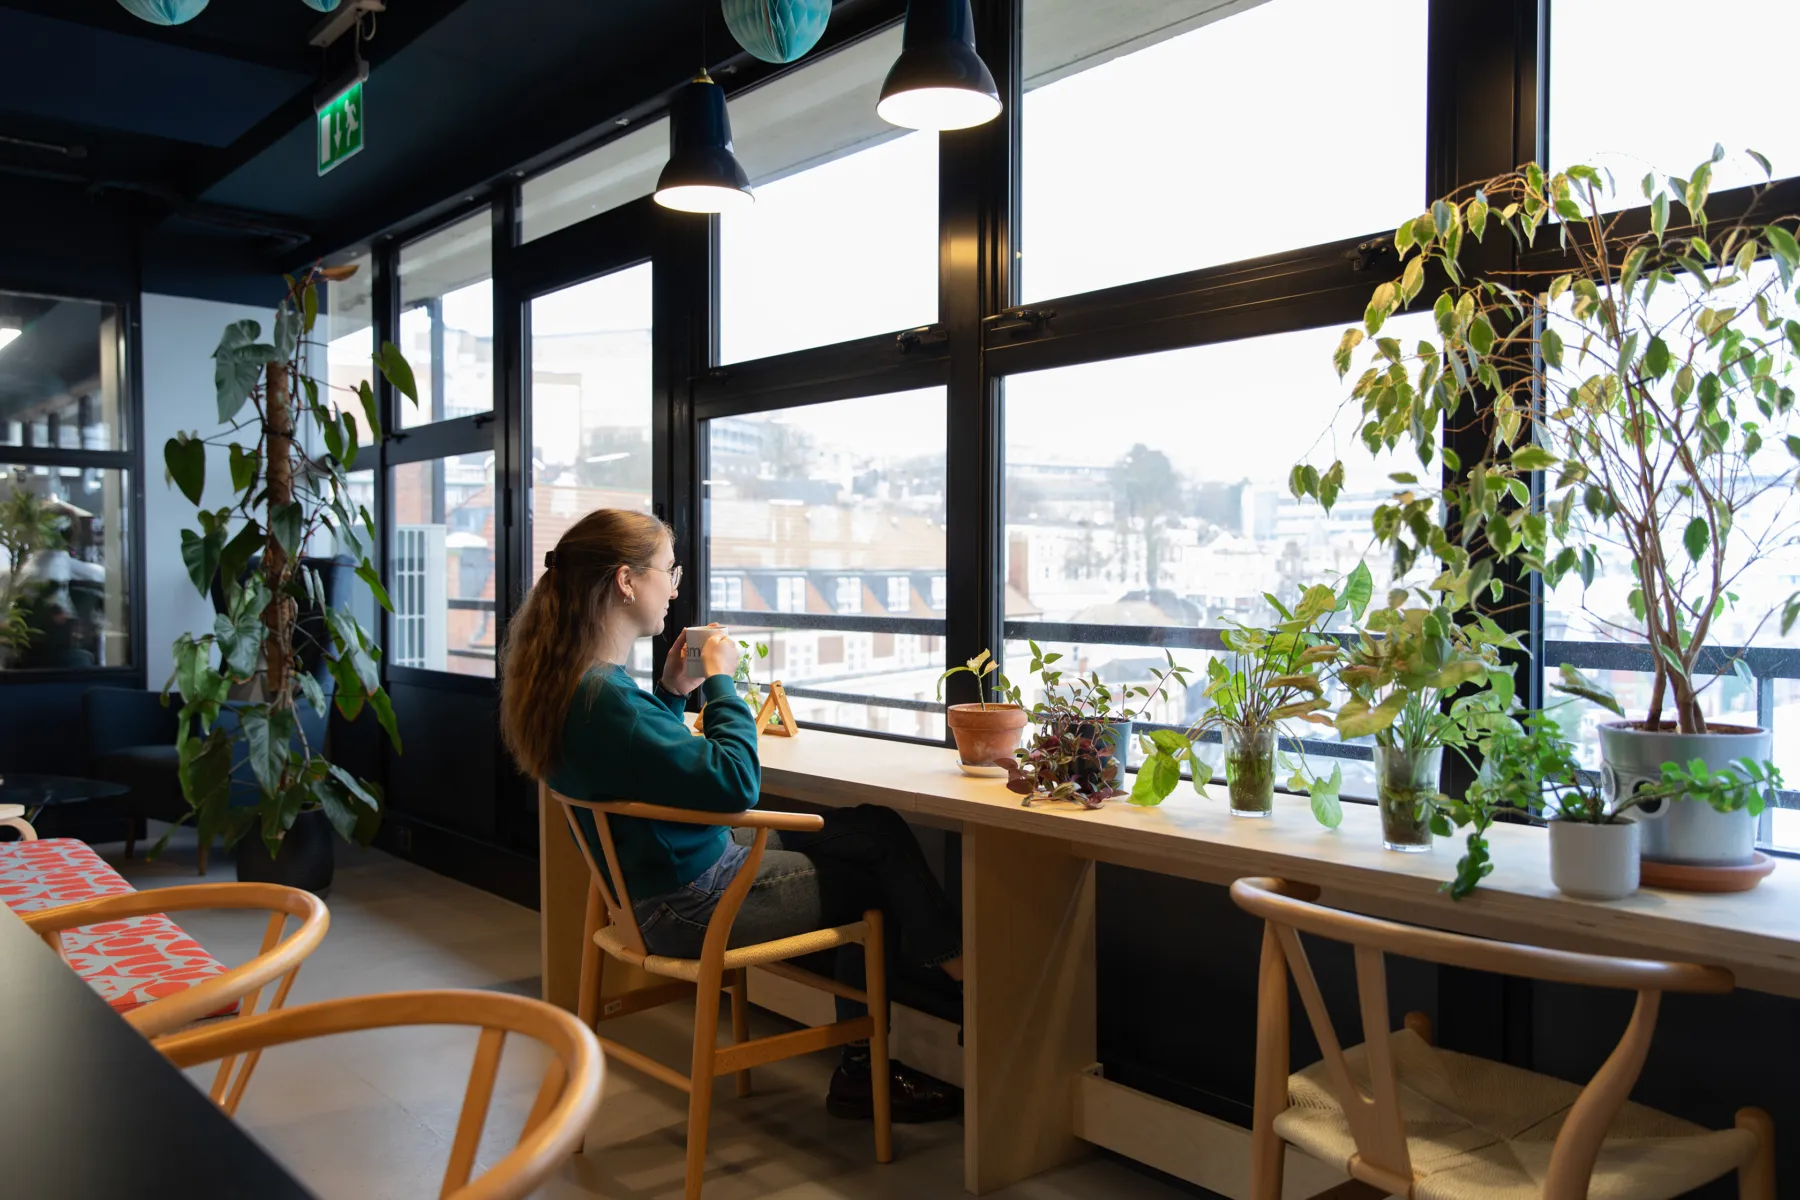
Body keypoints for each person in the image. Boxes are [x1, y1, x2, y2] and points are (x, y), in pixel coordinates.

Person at [499, 507, 962, 1122]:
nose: (676, 585)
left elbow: (642, 760)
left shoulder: (574, 686)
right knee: (877, 869)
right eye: (670, 570)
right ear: (626, 582)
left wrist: (671, 693)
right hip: (691, 906)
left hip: (646, 895)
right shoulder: (605, 696)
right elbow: (735, 784)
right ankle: (914, 1033)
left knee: (872, 828)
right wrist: (722, 680)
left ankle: (949, 987)